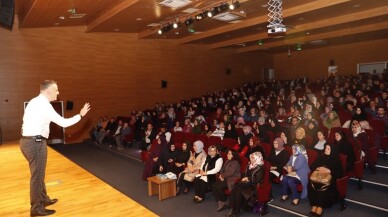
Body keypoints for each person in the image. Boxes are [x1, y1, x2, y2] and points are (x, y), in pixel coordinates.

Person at [20, 80, 90, 217]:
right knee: (37, 176)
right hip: (35, 143)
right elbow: (63, 122)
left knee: (39, 174)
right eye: (56, 90)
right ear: (48, 91)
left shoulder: (34, 101)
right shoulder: (44, 105)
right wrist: (80, 115)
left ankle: (43, 199)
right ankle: (36, 208)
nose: (58, 93)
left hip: (28, 141)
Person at [308, 144, 344, 217]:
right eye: (325, 148)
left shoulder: (336, 160)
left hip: (329, 179)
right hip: (318, 177)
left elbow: (340, 173)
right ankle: (314, 205)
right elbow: (312, 166)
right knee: (311, 184)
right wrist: (318, 168)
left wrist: (329, 170)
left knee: (323, 187)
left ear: (332, 150)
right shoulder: (321, 157)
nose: (326, 150)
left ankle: (320, 207)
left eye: (328, 149)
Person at [225, 152, 265, 217]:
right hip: (245, 184)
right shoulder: (249, 165)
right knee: (236, 190)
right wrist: (243, 177)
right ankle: (233, 210)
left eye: (253, 158)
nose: (251, 159)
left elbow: (258, 179)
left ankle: (233, 210)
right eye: (251, 157)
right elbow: (244, 174)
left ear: (257, 159)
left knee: (236, 188)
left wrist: (248, 178)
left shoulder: (260, 168)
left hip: (252, 186)